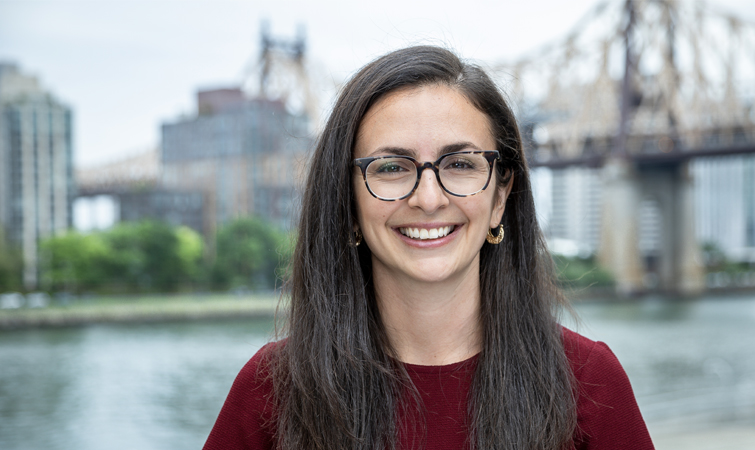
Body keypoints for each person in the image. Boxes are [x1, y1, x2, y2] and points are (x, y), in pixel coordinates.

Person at [204, 46, 655, 450]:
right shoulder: (272, 391)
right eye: (391, 167)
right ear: (347, 202)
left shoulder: (590, 382)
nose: (428, 198)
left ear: (500, 198)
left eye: (460, 164)